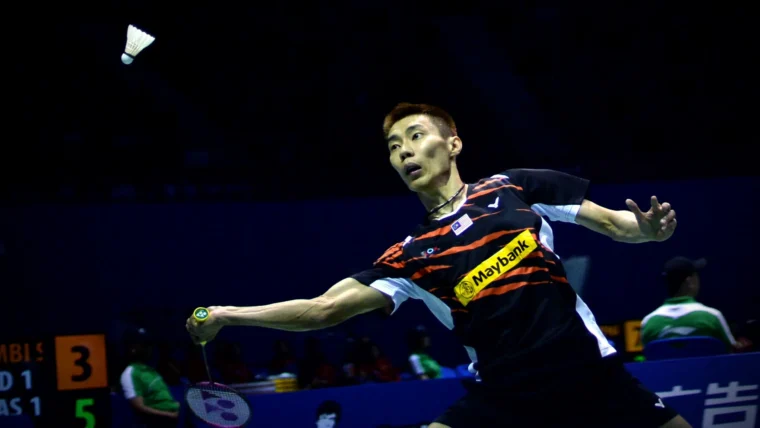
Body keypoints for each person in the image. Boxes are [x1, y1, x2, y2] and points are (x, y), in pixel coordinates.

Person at [187, 103, 688, 427]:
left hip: (586, 372)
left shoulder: (514, 187)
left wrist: (648, 230)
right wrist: (230, 314)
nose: (404, 151)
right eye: (394, 146)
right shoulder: (409, 256)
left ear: (453, 144)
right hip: (504, 396)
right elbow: (323, 309)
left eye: (415, 135)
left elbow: (616, 224)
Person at [641, 257, 737, 349]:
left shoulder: (648, 322)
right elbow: (730, 354)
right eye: (696, 275)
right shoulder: (712, 317)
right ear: (689, 281)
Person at [120, 327, 181, 427]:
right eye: (143, 345)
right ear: (132, 348)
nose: (148, 349)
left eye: (149, 345)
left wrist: (175, 406)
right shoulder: (130, 373)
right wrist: (169, 415)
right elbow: (139, 407)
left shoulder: (151, 371)